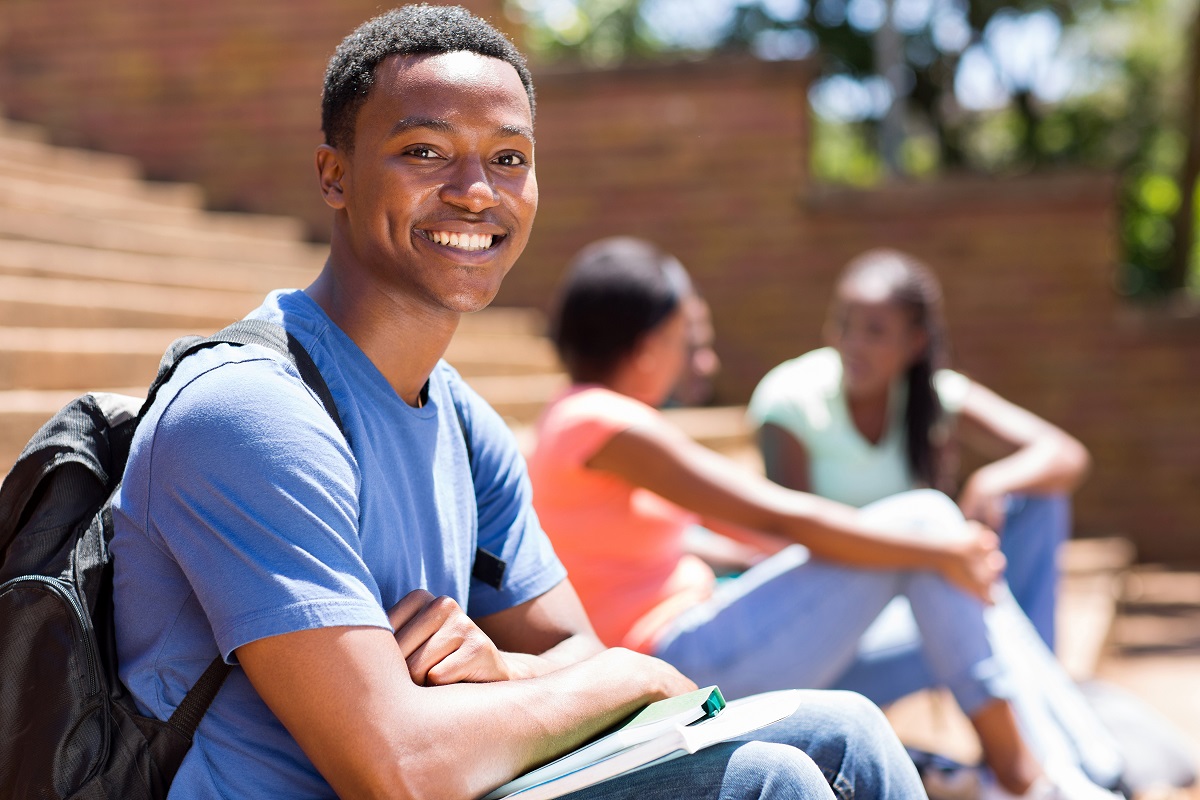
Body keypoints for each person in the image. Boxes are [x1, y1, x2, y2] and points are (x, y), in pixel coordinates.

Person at [108, 7, 925, 799]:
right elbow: (398, 771)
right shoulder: (251, 413)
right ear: (335, 175)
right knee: (763, 783)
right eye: (425, 151)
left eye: (508, 158)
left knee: (841, 729)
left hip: (471, 774)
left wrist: (510, 669)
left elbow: (570, 649)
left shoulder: (461, 422)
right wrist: (627, 673)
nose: (474, 191)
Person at [527, 236, 1123, 800]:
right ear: (649, 345)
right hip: (679, 662)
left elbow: (739, 540)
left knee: (959, 596)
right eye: (691, 339)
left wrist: (923, 562)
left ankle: (1074, 771)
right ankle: (1029, 781)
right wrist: (937, 549)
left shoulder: (592, 422)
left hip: (717, 646)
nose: (699, 358)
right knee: (925, 524)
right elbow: (775, 515)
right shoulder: (600, 420)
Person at [749, 248, 1090, 650]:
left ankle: (1034, 681)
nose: (853, 344)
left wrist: (991, 482)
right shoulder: (791, 400)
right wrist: (935, 553)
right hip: (837, 626)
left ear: (915, 342)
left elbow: (1065, 454)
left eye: (874, 331)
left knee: (1040, 503)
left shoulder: (929, 394)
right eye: (843, 325)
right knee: (974, 602)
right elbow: (792, 544)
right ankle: (1032, 688)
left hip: (923, 597)